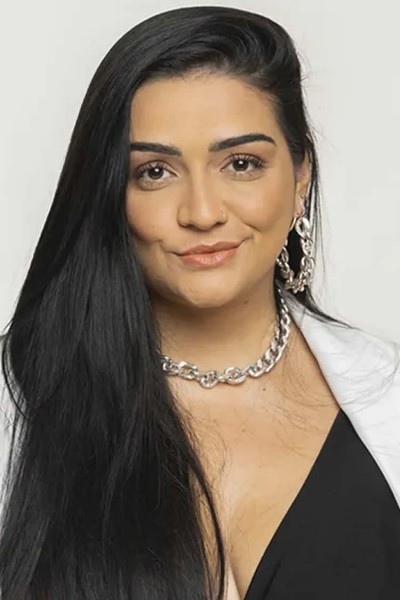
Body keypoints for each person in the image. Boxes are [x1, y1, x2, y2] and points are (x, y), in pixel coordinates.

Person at [0, 5, 399, 600]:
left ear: (300, 178)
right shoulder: (18, 400)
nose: (203, 212)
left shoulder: (388, 393)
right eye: (155, 172)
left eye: (241, 164)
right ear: (110, 193)